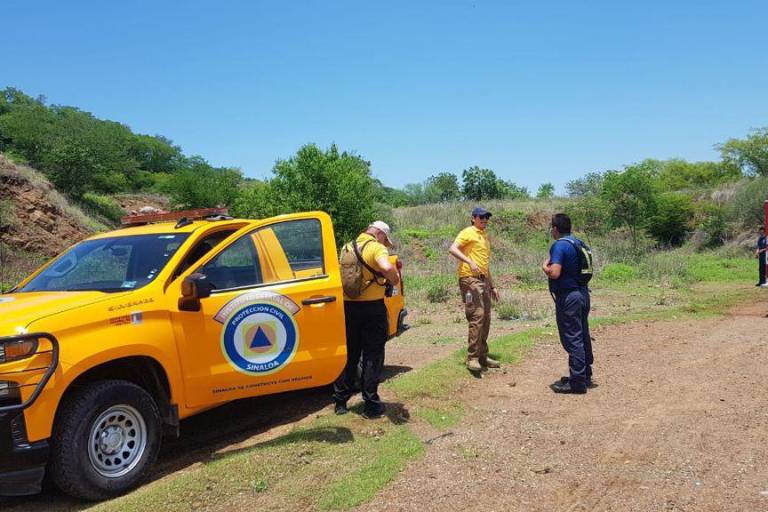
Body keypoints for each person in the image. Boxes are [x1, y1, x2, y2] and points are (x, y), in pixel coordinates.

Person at [333, 221, 400, 419]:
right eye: (385, 239)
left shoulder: (346, 247)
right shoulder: (376, 248)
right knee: (373, 355)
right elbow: (386, 266)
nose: (385, 243)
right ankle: (371, 404)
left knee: (350, 354)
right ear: (379, 234)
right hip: (372, 309)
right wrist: (394, 279)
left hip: (348, 308)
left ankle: (340, 402)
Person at [542, 213, 593, 394]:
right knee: (582, 334)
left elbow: (555, 273)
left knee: (573, 338)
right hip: (582, 294)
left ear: (555, 229)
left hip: (569, 297)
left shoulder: (560, 245)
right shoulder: (578, 242)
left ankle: (577, 382)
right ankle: (584, 375)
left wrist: (544, 267)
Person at [449, 207, 500, 372]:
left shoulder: (484, 237)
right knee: (477, 316)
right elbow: (453, 249)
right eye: (481, 217)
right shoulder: (467, 232)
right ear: (473, 218)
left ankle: (483, 356)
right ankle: (472, 358)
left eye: (487, 217)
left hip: (483, 281)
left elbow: (485, 265)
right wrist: (469, 262)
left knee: (486, 318)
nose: (485, 219)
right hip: (469, 279)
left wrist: (492, 286)